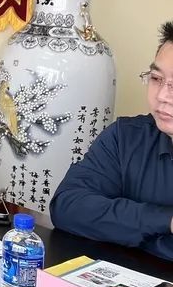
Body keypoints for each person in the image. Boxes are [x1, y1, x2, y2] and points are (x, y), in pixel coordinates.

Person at [50, 21, 173, 261]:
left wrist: (129, 231)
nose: (161, 96)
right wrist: (165, 220)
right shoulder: (127, 137)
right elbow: (67, 207)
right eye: (156, 78)